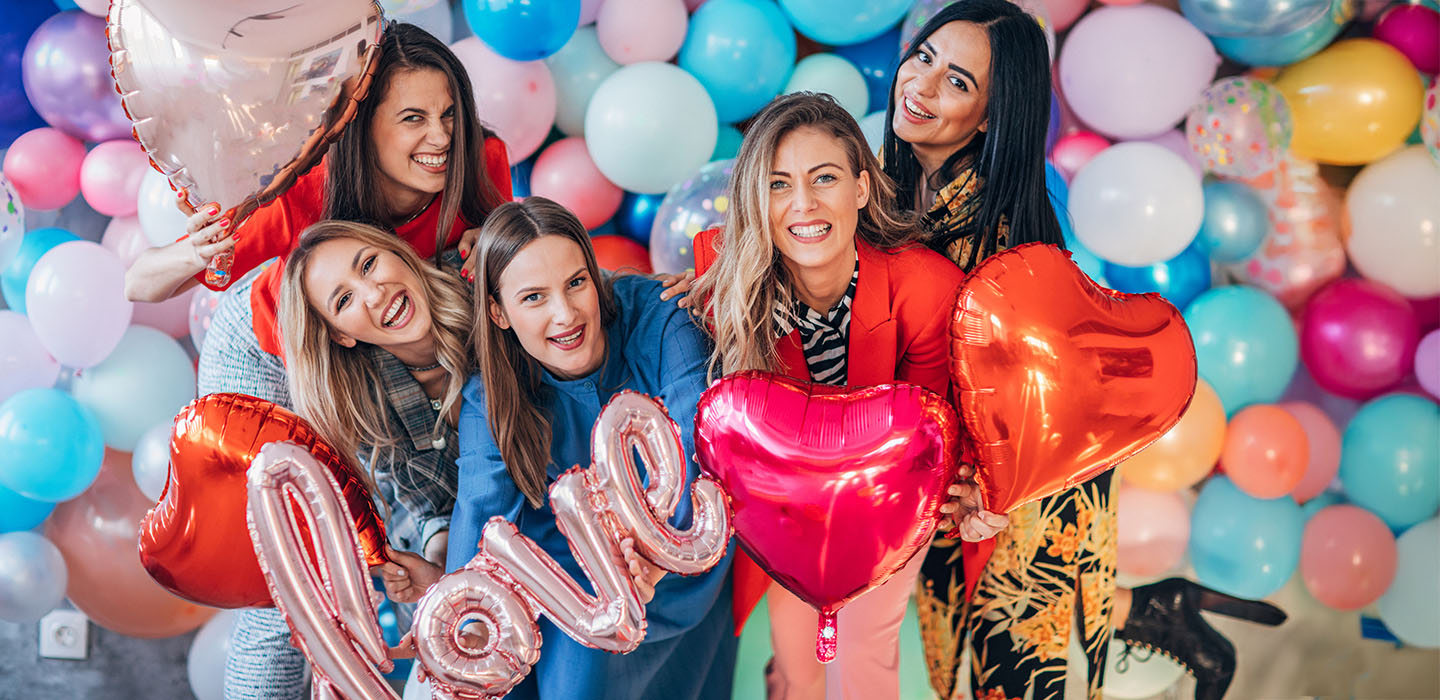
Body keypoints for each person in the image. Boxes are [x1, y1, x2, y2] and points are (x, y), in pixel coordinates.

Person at [882, 3, 1283, 700]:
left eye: (957, 81)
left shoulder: (997, 217)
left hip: (1026, 473)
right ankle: (1161, 612)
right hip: (950, 474)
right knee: (969, 641)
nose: (922, 85)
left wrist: (999, 489)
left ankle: (1154, 612)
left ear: (989, 115)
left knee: (1010, 672)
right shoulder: (894, 187)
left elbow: (1037, 381)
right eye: (923, 57)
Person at [126, 22, 511, 700]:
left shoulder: (478, 163)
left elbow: (503, 282)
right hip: (273, 352)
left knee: (431, 529)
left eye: (450, 113)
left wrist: (493, 246)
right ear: (364, 127)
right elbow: (140, 284)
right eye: (414, 118)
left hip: (380, 347)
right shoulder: (307, 189)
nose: (442, 138)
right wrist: (195, 253)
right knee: (290, 584)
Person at [690, 92, 1006, 700]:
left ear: (861, 189)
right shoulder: (721, 277)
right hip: (781, 507)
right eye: (779, 184)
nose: (803, 204)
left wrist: (973, 491)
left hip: (890, 501)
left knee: (862, 650)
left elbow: (936, 439)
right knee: (797, 657)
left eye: (824, 178)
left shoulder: (926, 289)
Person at [441, 196, 737, 699]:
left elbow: (702, 447)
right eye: (533, 297)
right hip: (572, 586)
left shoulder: (662, 318)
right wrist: (455, 632)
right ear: (498, 312)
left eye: (577, 283)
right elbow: (480, 511)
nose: (565, 314)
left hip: (680, 561)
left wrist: (659, 560)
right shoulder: (490, 392)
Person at [277, 219, 472, 568]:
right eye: (345, 300)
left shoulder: (483, 277)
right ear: (341, 336)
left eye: (369, 265)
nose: (375, 294)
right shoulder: (366, 406)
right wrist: (439, 566)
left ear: (395, 250)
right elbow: (435, 510)